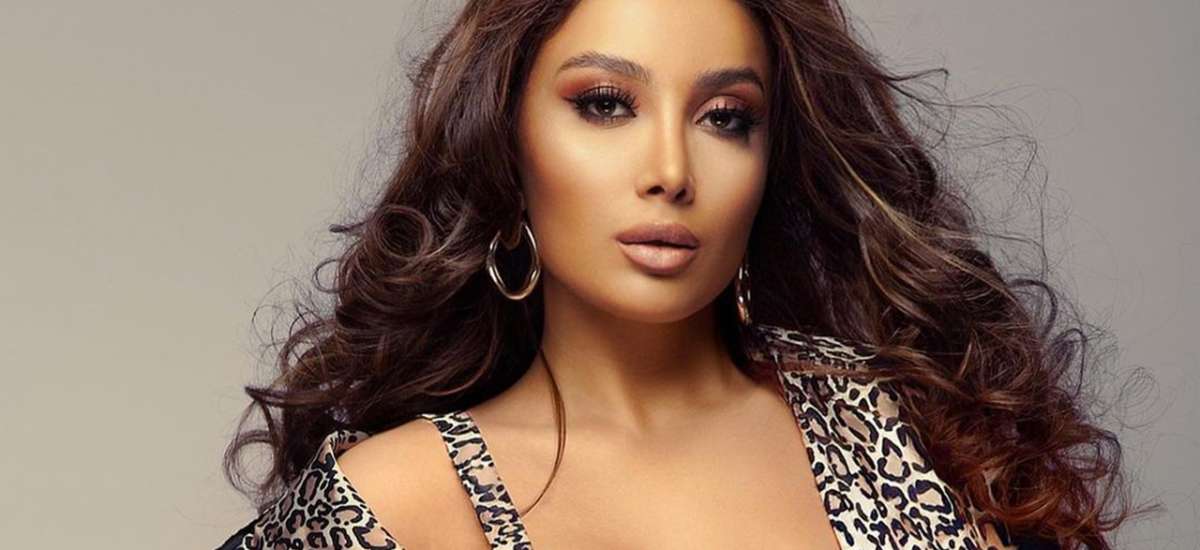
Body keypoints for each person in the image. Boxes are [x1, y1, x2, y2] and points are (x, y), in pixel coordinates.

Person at [217, 1, 1139, 548]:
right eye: (605, 104)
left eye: (725, 117)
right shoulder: (401, 501)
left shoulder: (901, 425)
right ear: (505, 139)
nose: (671, 169)